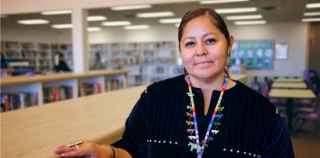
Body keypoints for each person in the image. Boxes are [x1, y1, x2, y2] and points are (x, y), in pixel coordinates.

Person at [54, 8, 294, 158]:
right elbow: (132, 152)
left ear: (229, 44)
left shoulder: (263, 112)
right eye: (190, 43)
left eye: (210, 40)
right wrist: (104, 152)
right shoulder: (154, 98)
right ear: (180, 50)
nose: (200, 51)